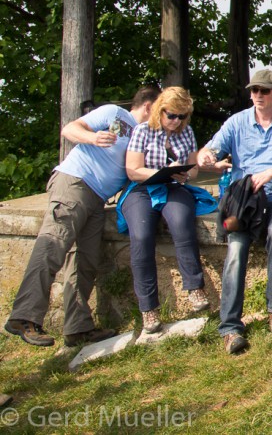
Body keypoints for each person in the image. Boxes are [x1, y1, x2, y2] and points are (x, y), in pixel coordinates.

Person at [5, 85, 160, 347]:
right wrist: (93, 138)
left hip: (98, 199)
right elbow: (69, 129)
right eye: (160, 108)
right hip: (75, 184)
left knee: (84, 262)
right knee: (52, 246)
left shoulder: (144, 134)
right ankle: (24, 317)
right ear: (148, 106)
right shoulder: (114, 113)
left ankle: (78, 328)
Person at [197, 69, 272, 355]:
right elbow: (210, 150)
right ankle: (230, 326)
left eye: (264, 90)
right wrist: (206, 156)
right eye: (254, 90)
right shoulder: (236, 122)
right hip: (245, 200)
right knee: (235, 251)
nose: (258, 95)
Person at [120, 86, 218, 334]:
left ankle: (195, 288)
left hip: (174, 186)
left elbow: (195, 169)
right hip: (142, 188)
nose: (176, 121)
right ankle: (148, 309)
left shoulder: (187, 132)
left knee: (182, 226)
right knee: (141, 238)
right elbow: (133, 169)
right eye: (172, 115)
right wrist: (159, 172)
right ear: (160, 111)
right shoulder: (143, 130)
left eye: (182, 116)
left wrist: (184, 172)